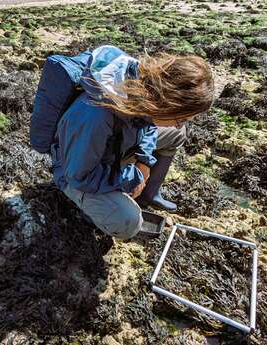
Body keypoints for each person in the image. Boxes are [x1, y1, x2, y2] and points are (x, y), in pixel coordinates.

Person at [47, 45, 214, 239]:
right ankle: (90, 211)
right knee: (128, 222)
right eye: (180, 119)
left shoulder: (146, 90)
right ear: (168, 103)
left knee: (176, 135)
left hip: (114, 147)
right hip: (74, 172)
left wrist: (143, 161)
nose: (178, 125)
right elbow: (79, 176)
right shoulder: (95, 115)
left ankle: (148, 195)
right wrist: (132, 177)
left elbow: (148, 125)